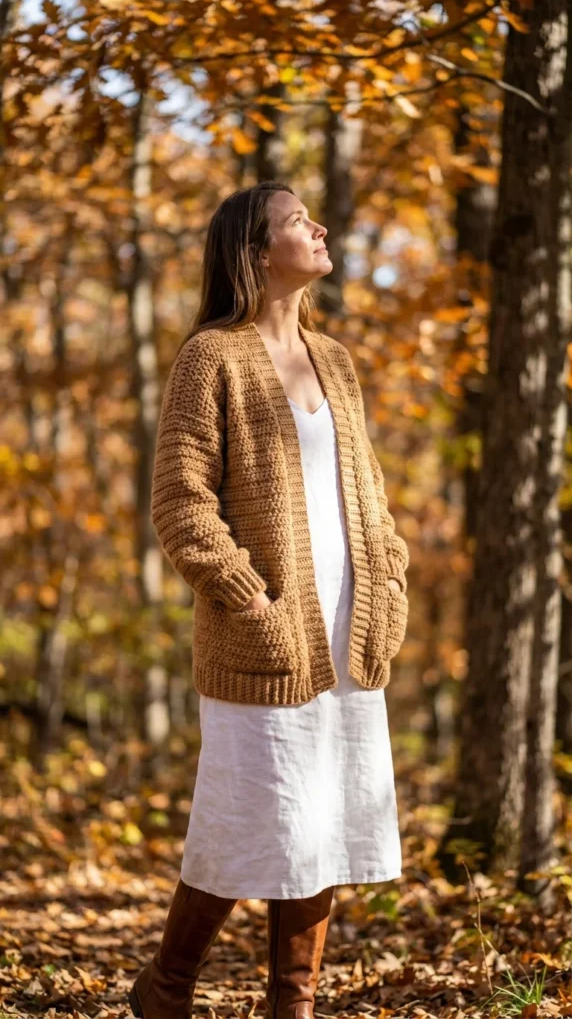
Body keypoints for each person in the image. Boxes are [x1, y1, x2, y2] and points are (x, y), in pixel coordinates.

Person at [128, 180, 410, 1019]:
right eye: (297, 221)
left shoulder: (337, 361)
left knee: (325, 820)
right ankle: (167, 986)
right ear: (256, 252)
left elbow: (372, 495)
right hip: (261, 634)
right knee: (248, 818)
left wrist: (391, 579)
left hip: (349, 629)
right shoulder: (211, 356)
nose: (317, 228)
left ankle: (295, 1004)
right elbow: (180, 500)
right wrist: (247, 597)